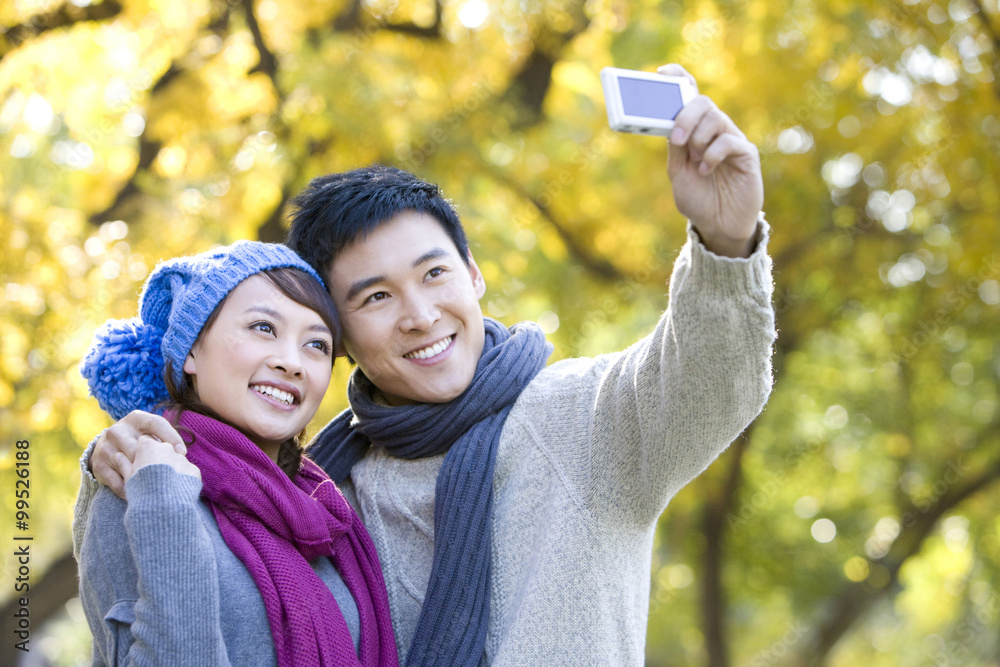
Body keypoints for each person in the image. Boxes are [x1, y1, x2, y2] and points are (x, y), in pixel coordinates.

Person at [75, 64, 776, 665]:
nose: (418, 313)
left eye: (434, 274)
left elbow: (712, 381)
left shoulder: (583, 415)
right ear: (342, 336)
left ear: (473, 276)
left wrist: (726, 239)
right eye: (376, 296)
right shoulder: (325, 490)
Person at [74, 241, 398, 666]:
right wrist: (165, 509)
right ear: (191, 350)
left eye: (316, 345)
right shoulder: (137, 486)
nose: (292, 362)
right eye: (263, 327)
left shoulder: (326, 511)